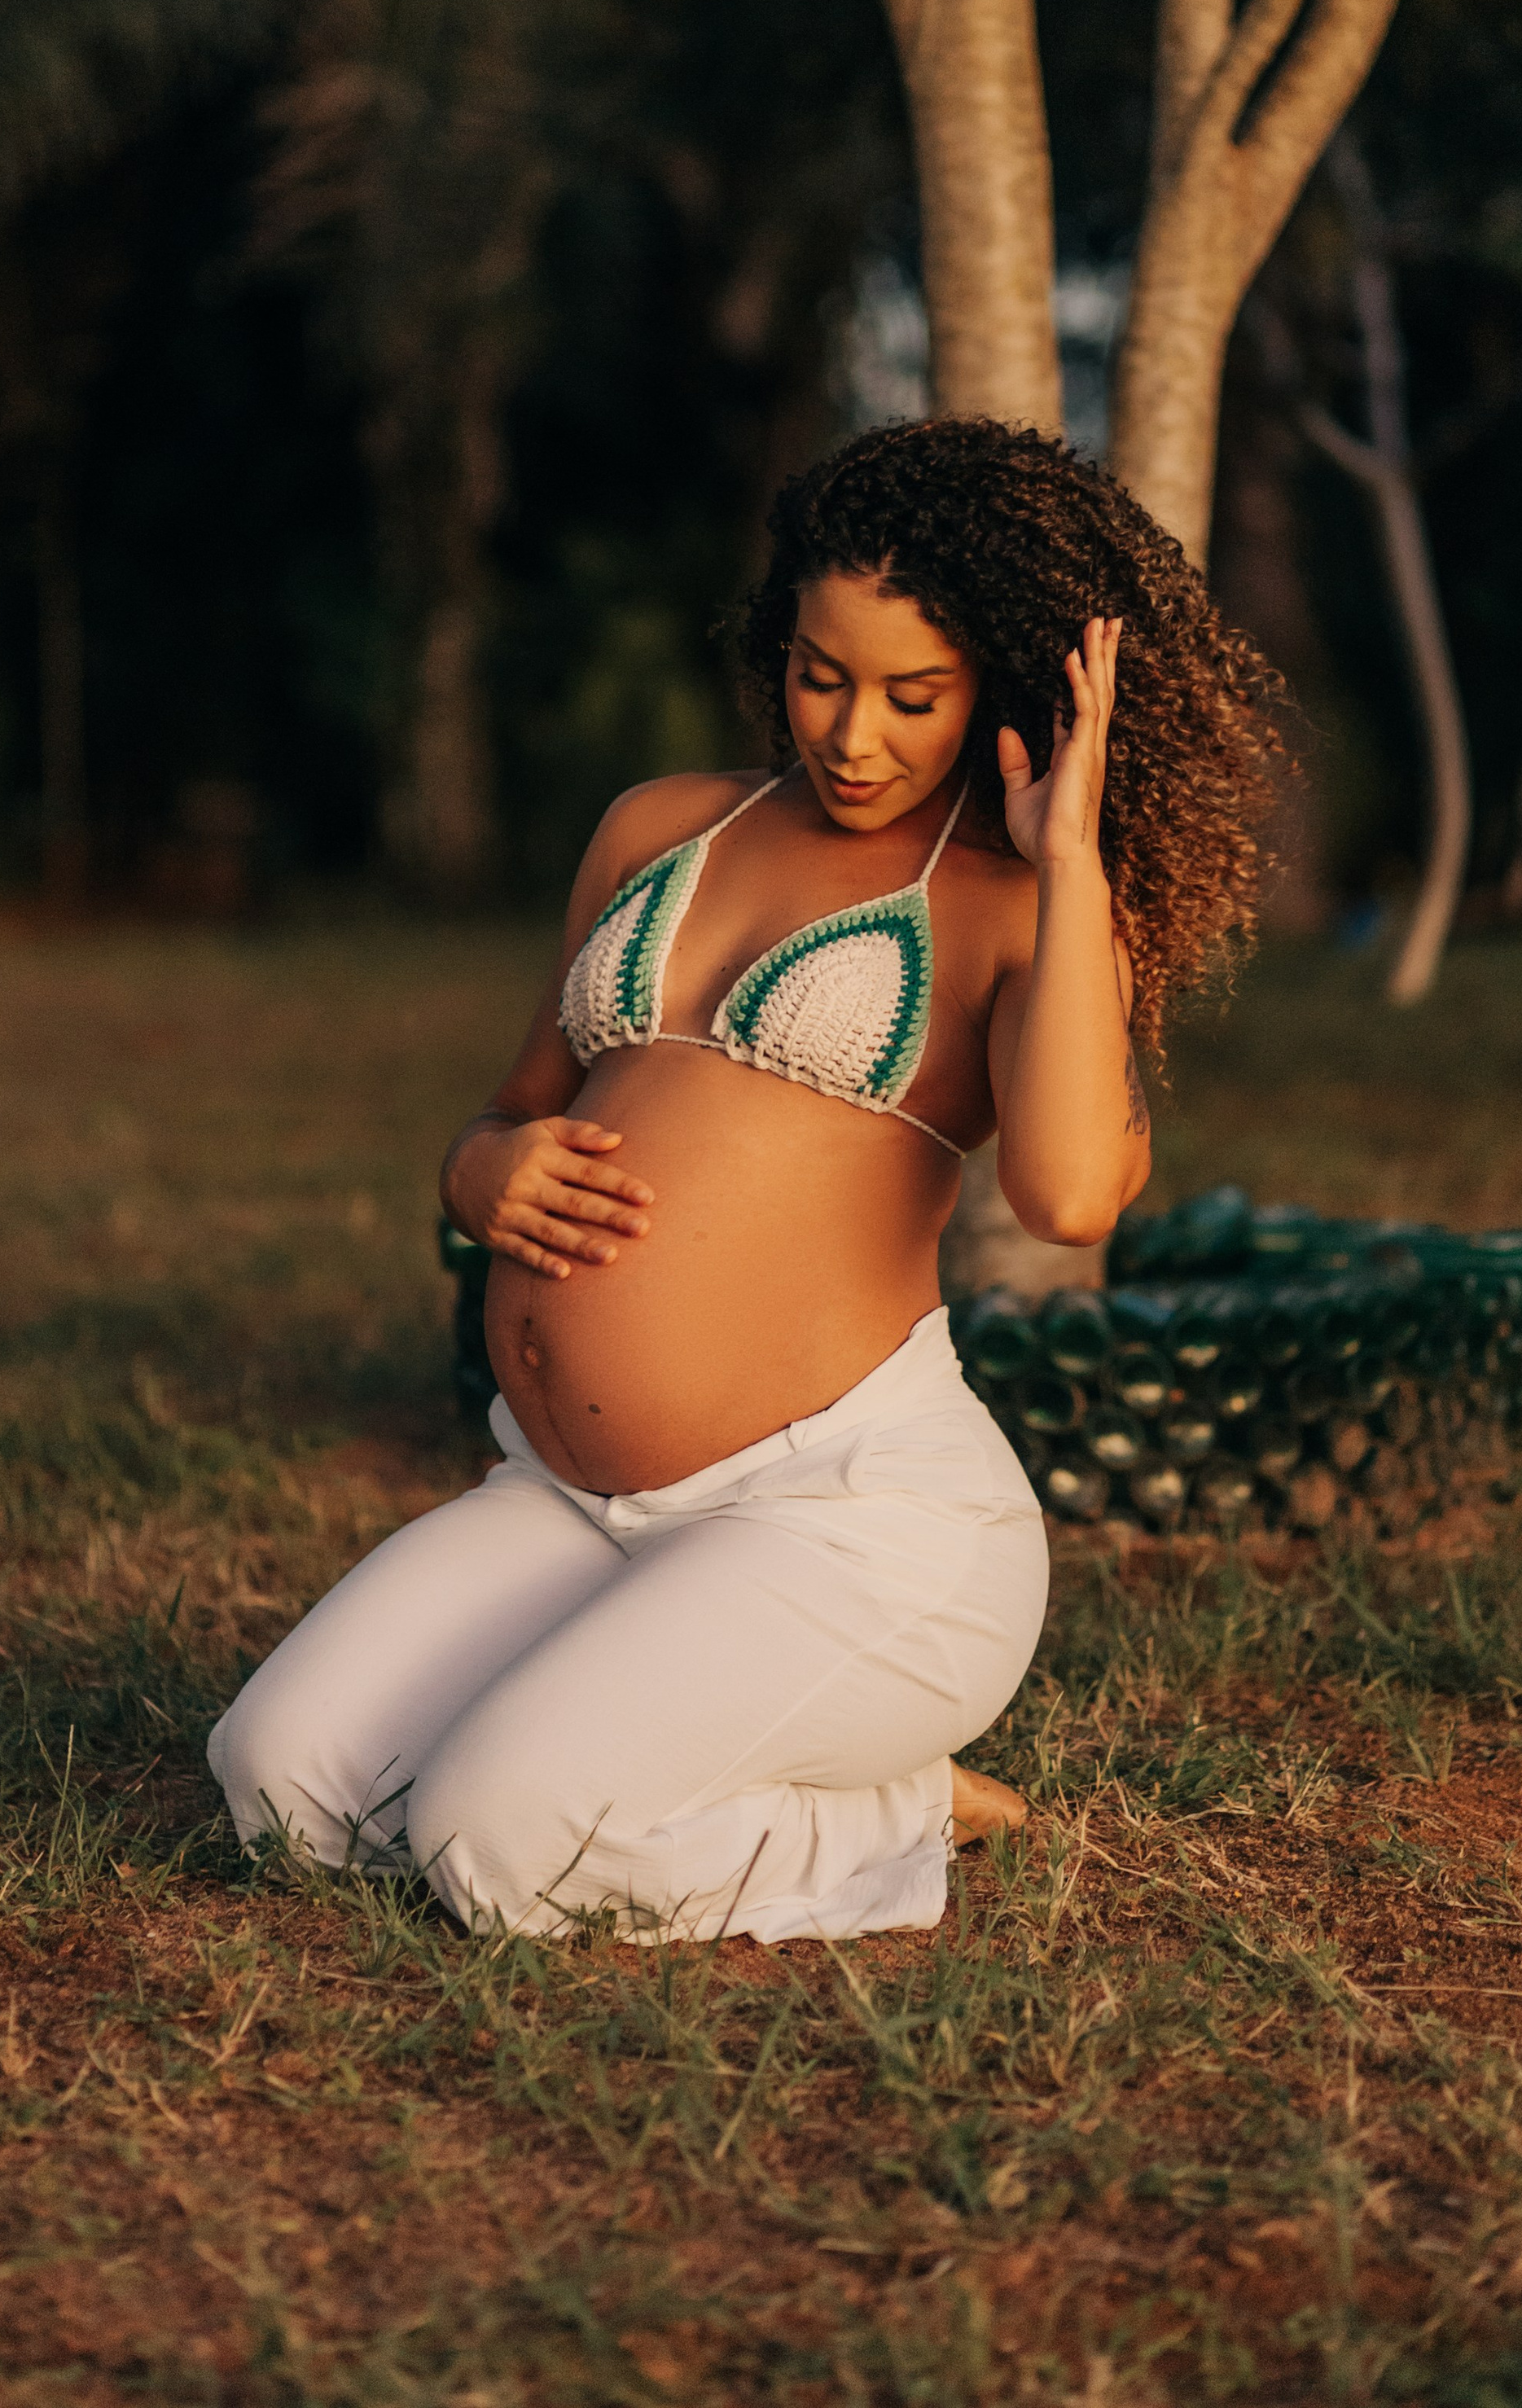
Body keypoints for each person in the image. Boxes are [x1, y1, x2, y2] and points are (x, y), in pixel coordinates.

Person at [209, 418, 1283, 1941]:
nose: (853, 734)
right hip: (576, 1499)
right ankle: (601, 1738)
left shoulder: (1008, 910)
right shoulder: (662, 827)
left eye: (914, 695)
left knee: (495, 1843)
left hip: (848, 1520)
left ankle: (904, 1802)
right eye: (819, 673)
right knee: (279, 1783)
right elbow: (503, 1117)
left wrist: (1073, 865)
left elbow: (1070, 1199)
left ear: (1003, 689)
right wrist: (487, 1174)